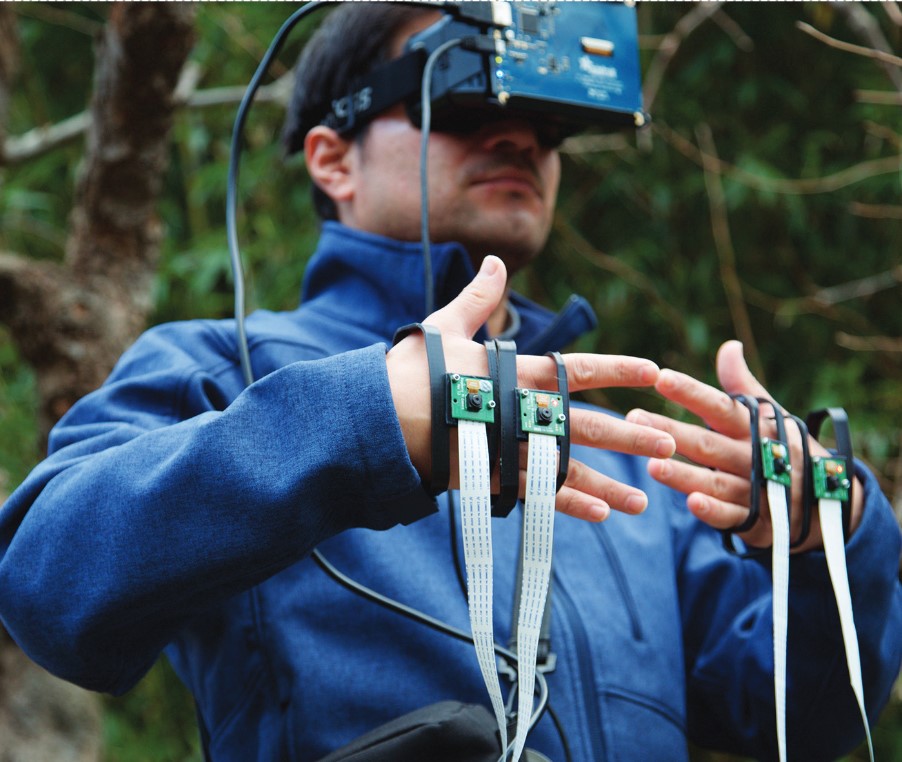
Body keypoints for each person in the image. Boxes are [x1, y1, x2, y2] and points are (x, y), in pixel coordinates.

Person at [1, 4, 900, 761]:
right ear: (332, 159)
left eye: (551, 122)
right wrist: (365, 423)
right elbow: (47, 579)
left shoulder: (620, 458)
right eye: (462, 97)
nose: (521, 137)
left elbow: (794, 720)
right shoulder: (220, 367)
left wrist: (832, 539)